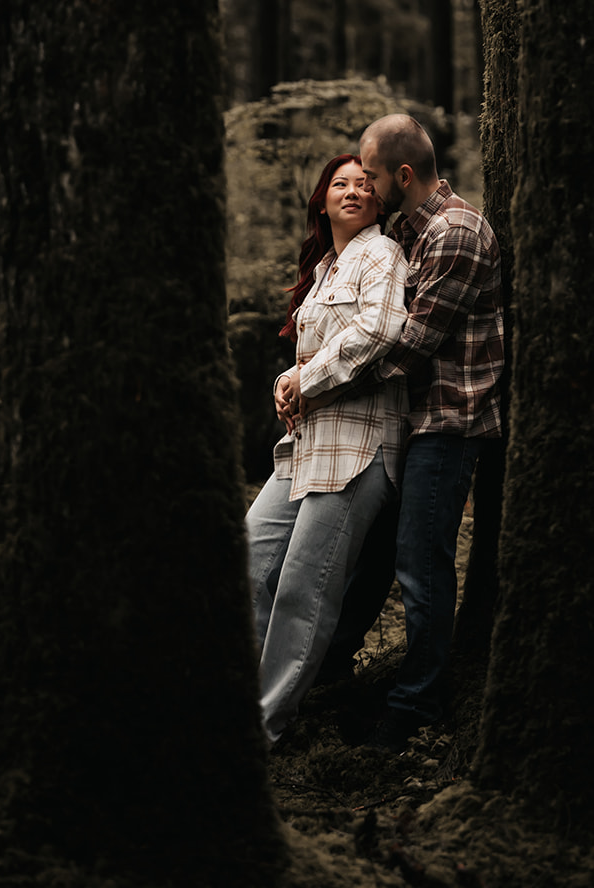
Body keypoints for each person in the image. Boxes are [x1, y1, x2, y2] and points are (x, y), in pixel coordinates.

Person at [296, 113, 505, 753]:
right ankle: (331, 674)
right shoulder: (409, 234)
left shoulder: (456, 232)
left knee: (420, 564)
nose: (366, 187)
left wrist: (316, 381)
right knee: (375, 559)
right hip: (407, 424)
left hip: (447, 422)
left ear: (404, 175)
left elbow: (411, 347)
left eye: (374, 176)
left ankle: (418, 703)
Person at [244, 153, 408, 746]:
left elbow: (380, 330)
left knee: (301, 588)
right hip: (303, 450)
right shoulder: (323, 272)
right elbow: (299, 366)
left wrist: (303, 381)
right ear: (321, 200)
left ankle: (265, 725)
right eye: (340, 183)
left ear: (380, 200)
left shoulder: (382, 255)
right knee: (251, 560)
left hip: (357, 448)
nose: (353, 190)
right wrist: (287, 386)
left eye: (365, 184)